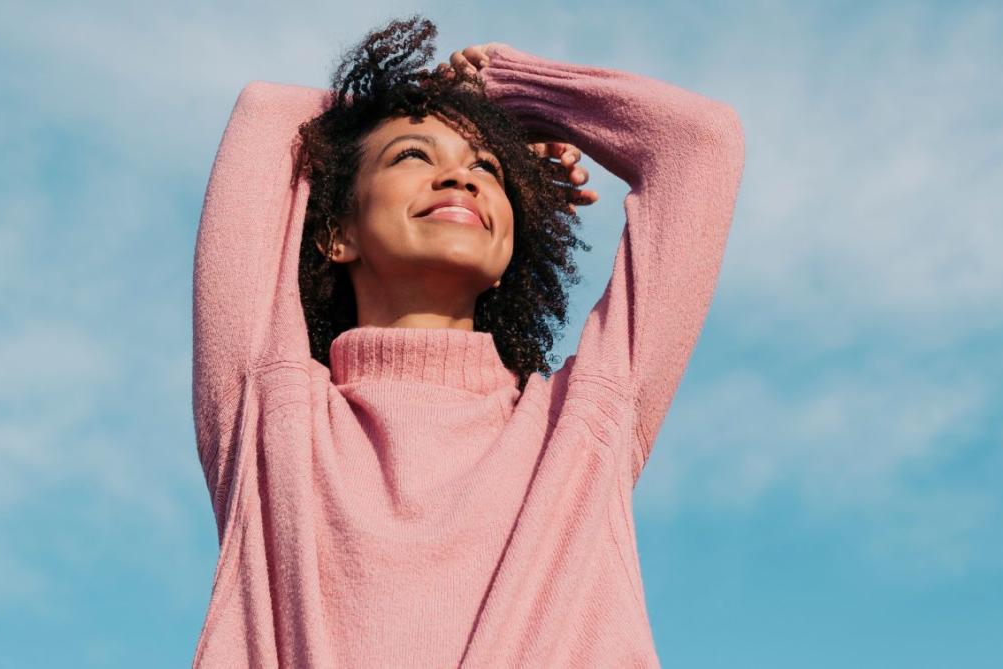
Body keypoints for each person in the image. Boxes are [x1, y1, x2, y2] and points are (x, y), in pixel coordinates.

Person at [190, 14, 744, 668]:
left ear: (511, 242)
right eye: (413, 156)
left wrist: (512, 92)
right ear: (337, 232)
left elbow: (700, 143)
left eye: (487, 168)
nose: (461, 177)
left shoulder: (582, 427)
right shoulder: (271, 414)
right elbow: (269, 114)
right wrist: (435, 103)